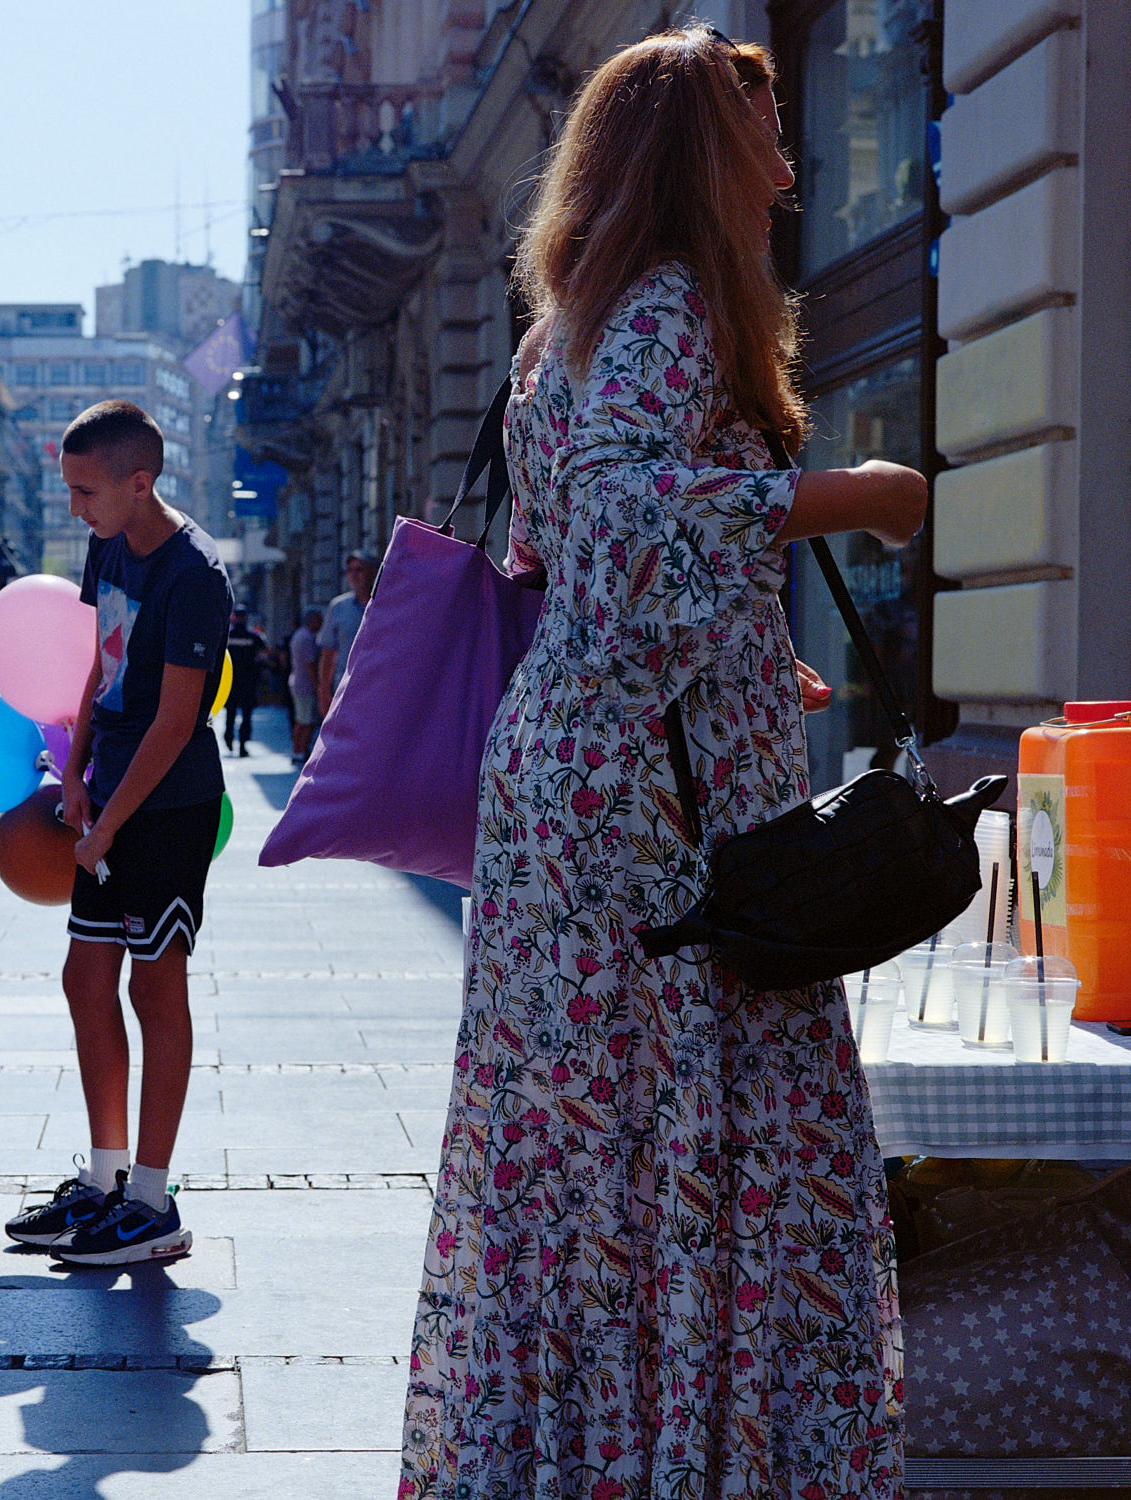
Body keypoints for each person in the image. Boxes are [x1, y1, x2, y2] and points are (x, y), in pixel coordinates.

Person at [400, 27, 924, 1499]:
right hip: (645, 816)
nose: (791, 159)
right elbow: (630, 530)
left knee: (582, 1147)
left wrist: (755, 651)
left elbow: (552, 553)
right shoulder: (676, 306)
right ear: (707, 153)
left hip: (574, 778)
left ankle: (575, 1460)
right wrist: (853, 496)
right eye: (765, 130)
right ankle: (690, 1462)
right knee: (700, 1109)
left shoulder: (562, 323)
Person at [3, 400, 231, 1267]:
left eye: (86, 491)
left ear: (141, 483)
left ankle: (151, 1200)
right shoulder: (108, 545)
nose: (74, 509)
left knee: (155, 993)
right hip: (107, 797)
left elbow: (177, 720)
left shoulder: (194, 574)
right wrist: (74, 771)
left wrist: (110, 826)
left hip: (168, 810)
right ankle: (102, 1183)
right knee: (84, 979)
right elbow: (101, 668)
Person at [314, 553, 371, 718]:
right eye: (350, 570)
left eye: (359, 569)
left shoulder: (387, 604)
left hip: (379, 687)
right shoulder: (339, 607)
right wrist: (323, 693)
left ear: (373, 572)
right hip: (346, 687)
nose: (354, 575)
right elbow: (328, 653)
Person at [222, 606, 266, 756]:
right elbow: (262, 657)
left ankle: (228, 738)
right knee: (246, 715)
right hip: (248, 681)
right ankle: (242, 745)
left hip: (231, 681)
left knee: (231, 712)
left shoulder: (227, 636)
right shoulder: (254, 637)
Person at [285, 607, 323, 759]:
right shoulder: (306, 637)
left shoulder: (299, 635)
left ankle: (298, 750)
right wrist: (318, 685)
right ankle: (300, 750)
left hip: (298, 681)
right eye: (319, 620)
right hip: (305, 684)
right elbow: (310, 664)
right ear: (311, 621)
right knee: (306, 721)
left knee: (302, 719)